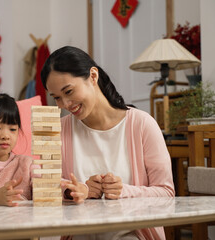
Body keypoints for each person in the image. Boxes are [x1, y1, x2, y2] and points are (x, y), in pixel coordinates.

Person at [40, 46, 175, 239]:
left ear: (93, 76)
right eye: (57, 98)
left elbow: (167, 195)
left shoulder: (142, 124)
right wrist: (76, 192)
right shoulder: (57, 130)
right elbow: (42, 190)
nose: (65, 104)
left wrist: (124, 191)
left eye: (69, 91)